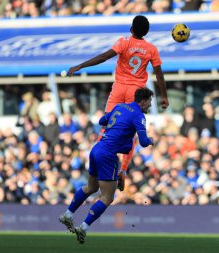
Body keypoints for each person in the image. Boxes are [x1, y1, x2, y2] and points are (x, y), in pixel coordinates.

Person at [67, 15, 168, 192]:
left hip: (119, 88)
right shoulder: (151, 49)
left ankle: (98, 168)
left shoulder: (124, 42)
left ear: (131, 29)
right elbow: (159, 73)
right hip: (136, 93)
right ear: (147, 32)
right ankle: (122, 170)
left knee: (107, 127)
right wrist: (164, 96)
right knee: (130, 133)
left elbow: (104, 57)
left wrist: (80, 66)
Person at [59, 88, 155, 244]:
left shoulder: (120, 106)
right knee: (107, 197)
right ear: (143, 101)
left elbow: (102, 121)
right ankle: (83, 228)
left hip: (97, 148)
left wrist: (118, 128)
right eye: (149, 102)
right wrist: (150, 139)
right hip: (108, 155)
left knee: (91, 188)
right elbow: (143, 142)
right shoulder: (139, 115)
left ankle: (68, 214)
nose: (150, 105)